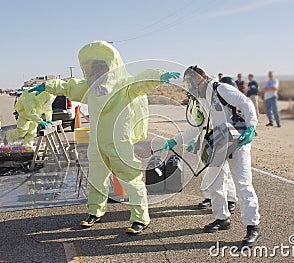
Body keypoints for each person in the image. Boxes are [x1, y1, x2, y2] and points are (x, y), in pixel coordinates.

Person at [29, 40, 180, 234]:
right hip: (97, 143)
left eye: (101, 67)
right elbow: (68, 87)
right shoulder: (89, 87)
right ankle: (95, 212)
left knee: (131, 179)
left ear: (112, 67)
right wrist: (47, 86)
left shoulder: (125, 85)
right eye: (94, 69)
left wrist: (159, 75)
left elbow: (142, 81)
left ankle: (141, 218)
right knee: (97, 179)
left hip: (119, 143)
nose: (97, 72)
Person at [162, 66, 261, 247]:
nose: (189, 85)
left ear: (200, 77)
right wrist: (174, 141)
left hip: (238, 141)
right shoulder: (201, 100)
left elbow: (246, 103)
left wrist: (252, 126)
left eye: (190, 81)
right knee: (216, 182)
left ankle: (252, 226)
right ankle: (222, 218)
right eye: (186, 83)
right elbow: (196, 128)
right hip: (219, 142)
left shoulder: (220, 89)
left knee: (243, 183)